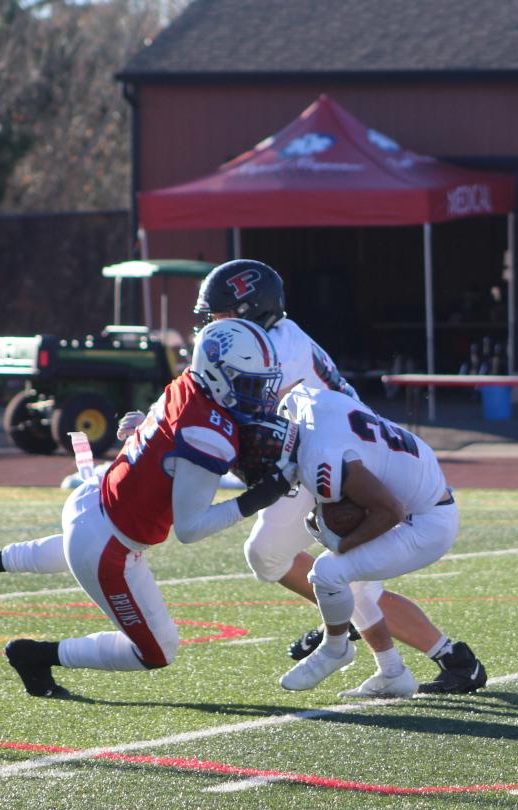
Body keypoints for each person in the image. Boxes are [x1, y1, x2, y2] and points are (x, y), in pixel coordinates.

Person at [0, 320, 294, 697]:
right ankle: (35, 656)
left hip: (92, 497)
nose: (257, 395)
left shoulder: (188, 385)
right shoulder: (208, 434)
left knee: (77, 546)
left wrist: (144, 424)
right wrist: (255, 499)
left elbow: (164, 431)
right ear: (217, 374)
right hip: (109, 542)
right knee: (159, 650)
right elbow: (190, 528)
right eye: (247, 384)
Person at [188, 260, 487, 695]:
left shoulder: (272, 349)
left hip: (333, 456)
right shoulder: (270, 338)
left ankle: (363, 634)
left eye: (224, 314)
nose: (214, 325)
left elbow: (237, 413)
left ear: (253, 311)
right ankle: (430, 655)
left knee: (293, 559)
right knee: (307, 565)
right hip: (330, 448)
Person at [234, 388, 458, 699]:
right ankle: (392, 673)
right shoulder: (307, 399)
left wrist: (342, 544)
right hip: (418, 490)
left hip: (425, 521)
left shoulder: (321, 460)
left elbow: (388, 510)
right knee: (355, 587)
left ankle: (335, 648)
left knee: (328, 571)